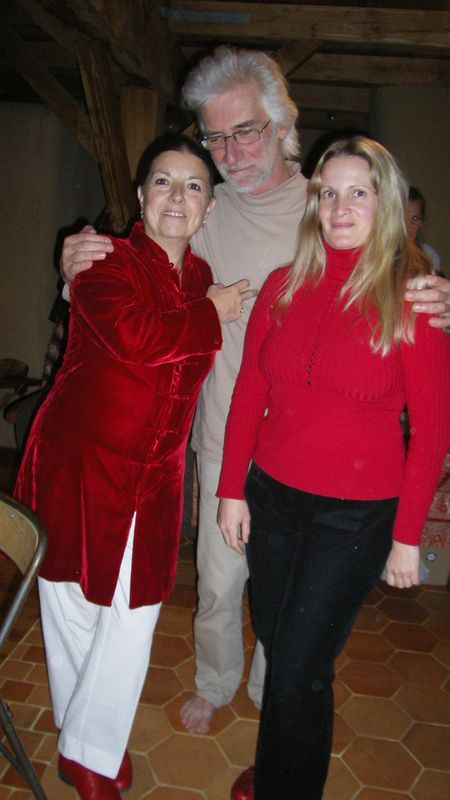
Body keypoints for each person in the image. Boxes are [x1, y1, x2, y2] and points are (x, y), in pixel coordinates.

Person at [59, 47, 450, 737]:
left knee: (290, 600)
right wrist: (77, 269)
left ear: (282, 127)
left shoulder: (327, 204)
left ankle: (277, 694)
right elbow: (145, 260)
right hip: (225, 433)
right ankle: (215, 681)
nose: (229, 152)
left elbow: (397, 273)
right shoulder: (206, 208)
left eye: (245, 130)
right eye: (214, 136)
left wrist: (439, 295)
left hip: (312, 457)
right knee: (218, 582)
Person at [14, 133, 256, 800]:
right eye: (163, 181)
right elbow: (138, 340)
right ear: (141, 195)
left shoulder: (203, 277)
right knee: (71, 604)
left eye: (193, 185)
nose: (177, 196)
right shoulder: (103, 260)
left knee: (134, 610)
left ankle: (85, 745)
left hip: (155, 477)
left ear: (209, 206)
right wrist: (210, 314)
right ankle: (89, 751)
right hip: (79, 463)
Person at [217, 136, 450, 800]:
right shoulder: (282, 286)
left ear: (387, 204)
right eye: (328, 193)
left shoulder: (413, 299)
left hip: (353, 517)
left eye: (359, 193)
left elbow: (433, 430)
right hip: (272, 497)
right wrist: (232, 489)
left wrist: (406, 536)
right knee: (280, 643)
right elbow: (250, 393)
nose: (340, 208)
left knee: (298, 667)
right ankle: (279, 766)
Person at [407, 185, 442, 274]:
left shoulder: (429, 256)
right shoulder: (379, 254)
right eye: (403, 218)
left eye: (415, 219)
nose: (409, 225)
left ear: (422, 221)